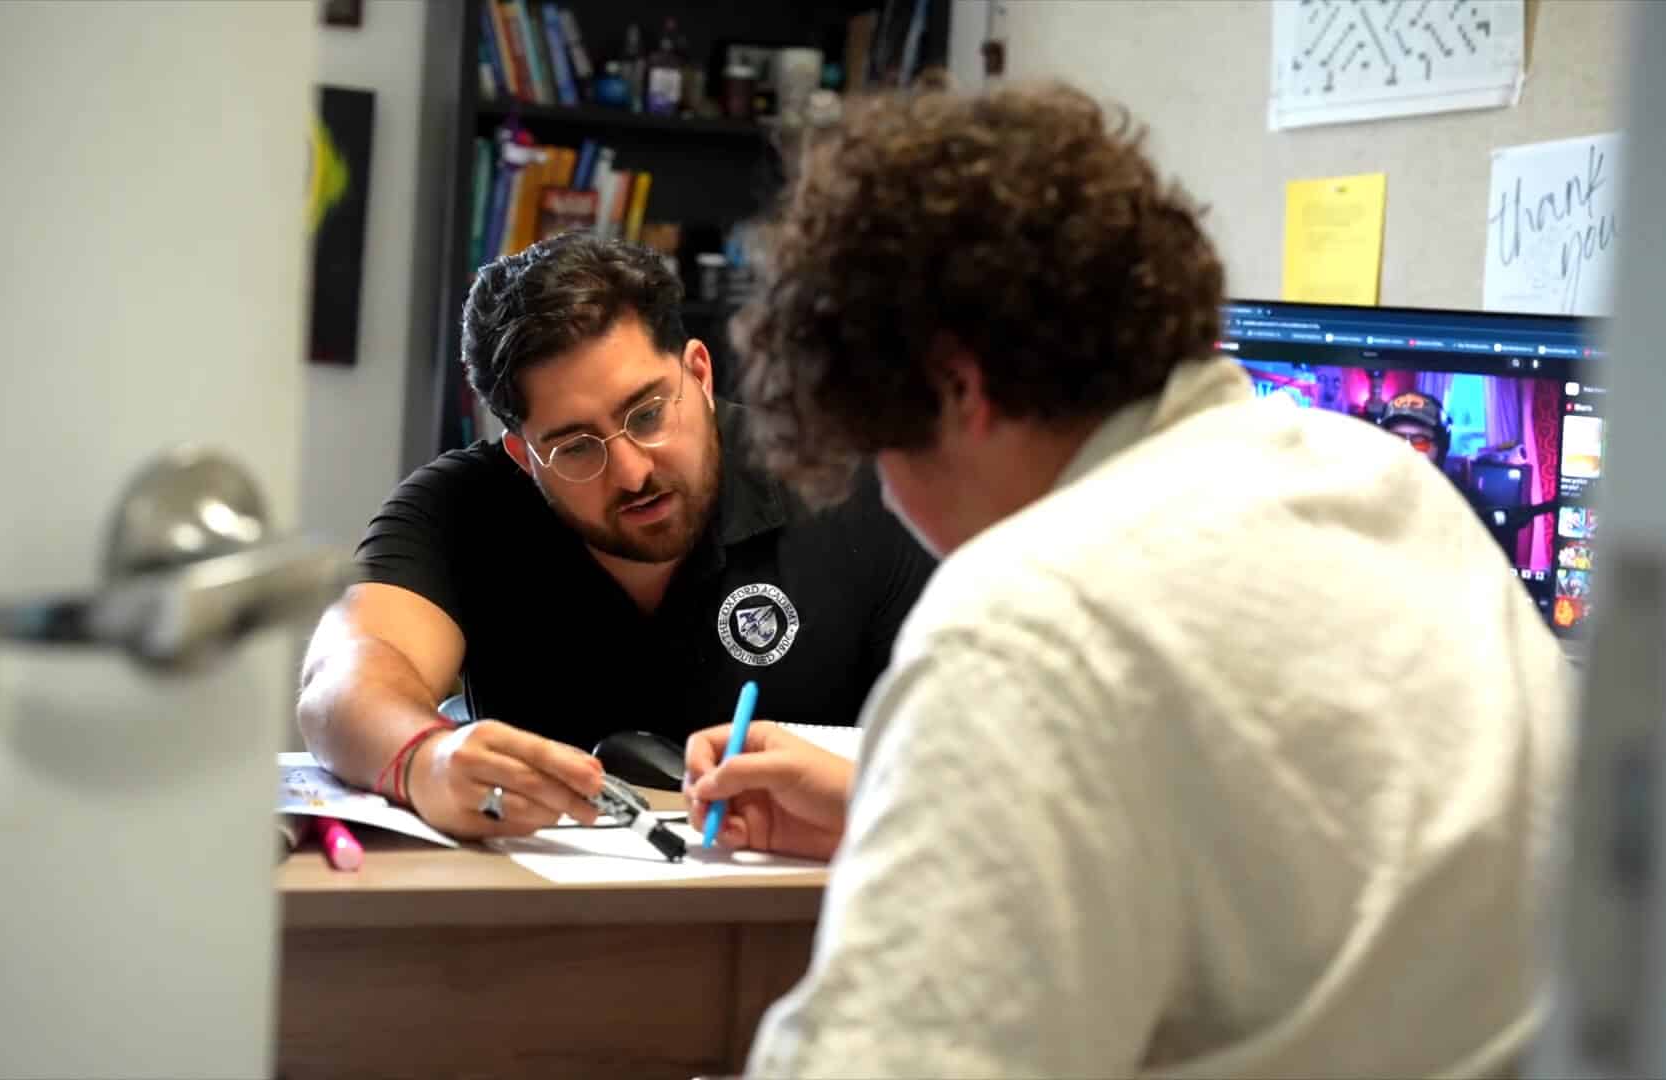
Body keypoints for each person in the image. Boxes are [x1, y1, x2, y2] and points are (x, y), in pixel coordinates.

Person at [684, 83, 1572, 1078]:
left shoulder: (1024, 620)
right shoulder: (1377, 482)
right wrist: (910, 812)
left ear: (958, 388)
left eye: (881, 453)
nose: (889, 504)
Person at [297, 232, 932, 839]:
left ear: (701, 375)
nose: (631, 472)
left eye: (649, 413)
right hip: (550, 918)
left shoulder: (848, 489)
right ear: (525, 457)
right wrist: (425, 760)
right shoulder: (459, 504)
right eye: (575, 447)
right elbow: (340, 683)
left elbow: (973, 739)